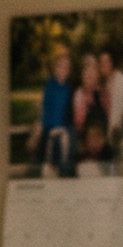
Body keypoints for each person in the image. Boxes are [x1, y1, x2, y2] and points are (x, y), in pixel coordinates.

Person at [33, 48, 75, 176]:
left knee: (66, 138)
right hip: (50, 125)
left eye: (66, 67)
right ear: (55, 69)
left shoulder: (69, 88)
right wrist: (44, 127)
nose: (63, 70)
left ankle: (63, 169)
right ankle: (54, 168)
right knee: (52, 139)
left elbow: (69, 112)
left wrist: (63, 127)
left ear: (69, 70)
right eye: (60, 67)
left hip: (64, 126)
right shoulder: (50, 86)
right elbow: (46, 109)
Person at [98, 48, 123, 161]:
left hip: (116, 132)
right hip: (105, 129)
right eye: (101, 63)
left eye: (107, 62)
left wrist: (106, 138)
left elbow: (117, 114)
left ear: (113, 62)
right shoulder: (106, 81)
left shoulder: (121, 82)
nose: (103, 65)